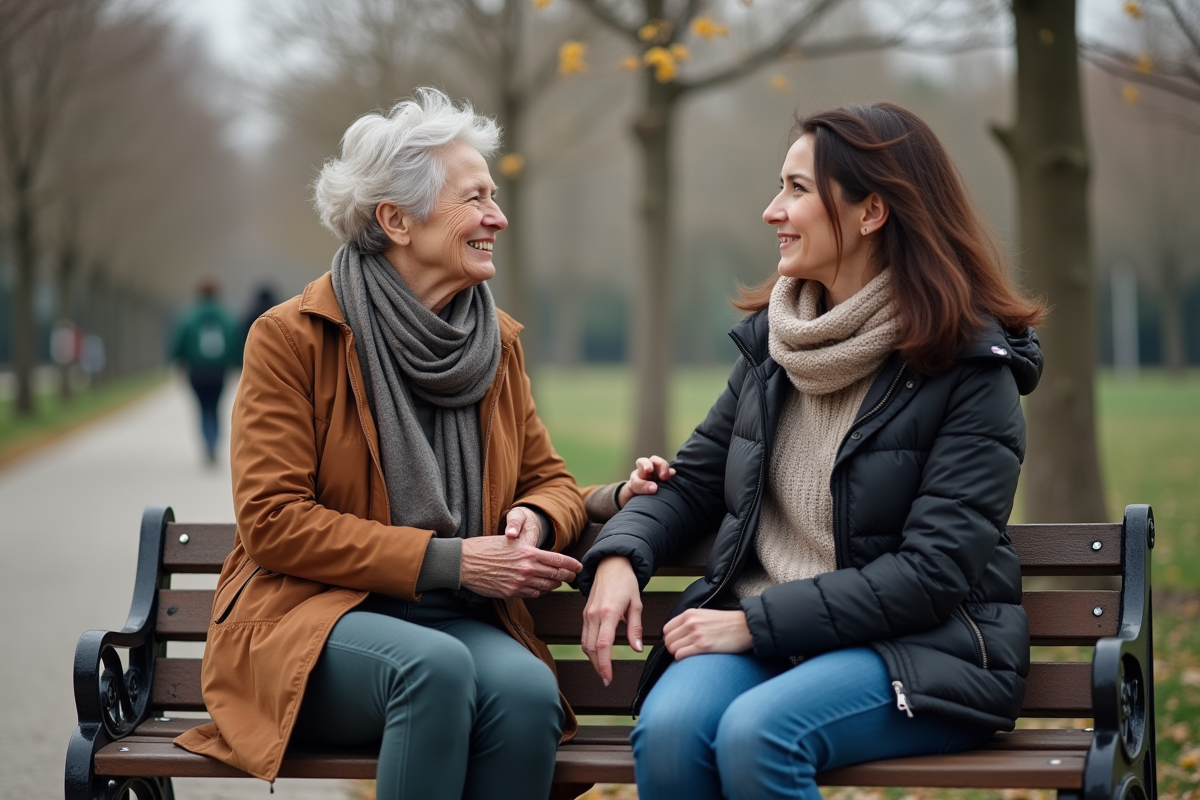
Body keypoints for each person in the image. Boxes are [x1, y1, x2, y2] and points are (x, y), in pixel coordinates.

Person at [174, 88, 651, 799]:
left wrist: (541, 517)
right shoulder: (291, 338)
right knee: (430, 669)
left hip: (455, 622)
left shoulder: (498, 344)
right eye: (475, 198)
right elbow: (273, 522)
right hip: (313, 620)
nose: (498, 216)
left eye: (494, 195)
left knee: (526, 690)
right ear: (396, 219)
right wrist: (453, 561)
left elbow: (549, 479)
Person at [577, 102, 1046, 800]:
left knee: (758, 733)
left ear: (871, 212)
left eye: (798, 190)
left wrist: (753, 624)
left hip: (919, 649)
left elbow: (932, 573)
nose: (773, 211)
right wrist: (620, 554)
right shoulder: (776, 346)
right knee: (671, 730)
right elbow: (693, 480)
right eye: (781, 186)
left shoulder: (971, 370)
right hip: (769, 635)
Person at [169, 279, 241, 464]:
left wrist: (177, 360)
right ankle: (213, 442)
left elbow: (180, 341)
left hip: (197, 370)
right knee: (215, 407)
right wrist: (238, 364)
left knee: (203, 408)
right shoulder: (225, 315)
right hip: (219, 371)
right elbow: (234, 342)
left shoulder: (190, 315)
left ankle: (208, 443)